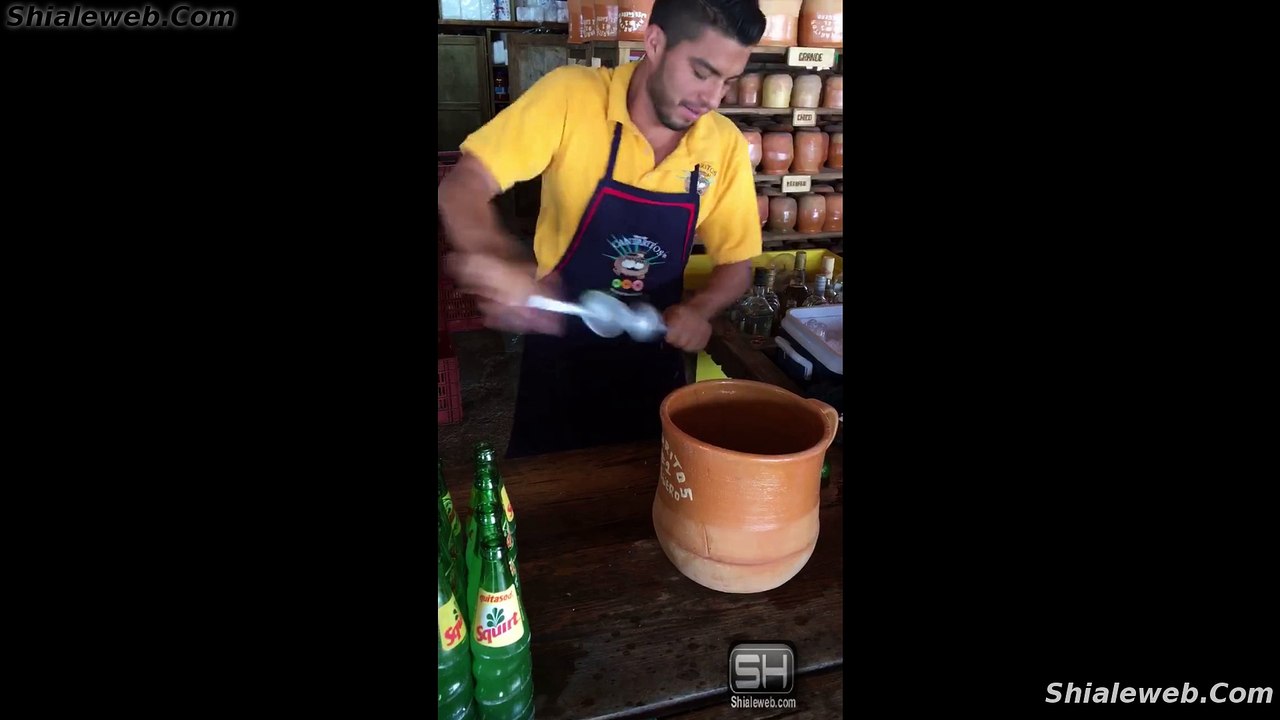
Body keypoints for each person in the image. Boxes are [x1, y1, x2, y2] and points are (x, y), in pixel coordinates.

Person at [438, 0, 766, 459]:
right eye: (701, 72)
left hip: (653, 362)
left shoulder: (724, 146)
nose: (711, 99)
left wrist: (701, 308)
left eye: (727, 82)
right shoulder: (572, 97)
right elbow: (463, 185)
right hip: (558, 351)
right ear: (654, 43)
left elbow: (737, 264)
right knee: (548, 503)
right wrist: (496, 254)